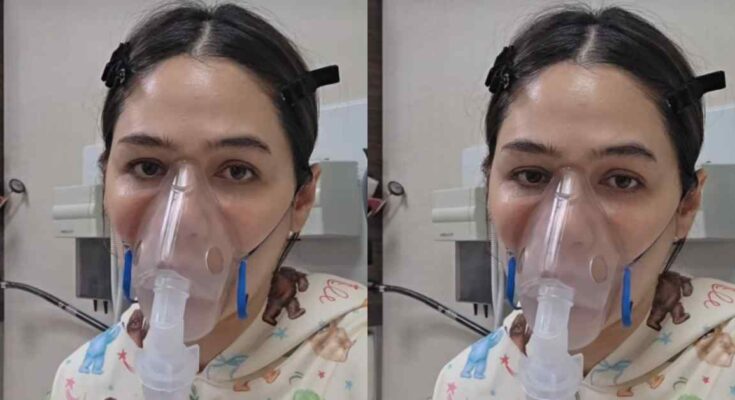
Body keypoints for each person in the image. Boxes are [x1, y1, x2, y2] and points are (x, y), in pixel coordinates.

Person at [50, 3, 367, 399]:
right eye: (148, 167)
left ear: (301, 200)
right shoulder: (84, 380)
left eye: (237, 171)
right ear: (105, 184)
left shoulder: (360, 362)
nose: (183, 220)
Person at [433, 5, 731, 399]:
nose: (568, 227)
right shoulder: (466, 383)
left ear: (686, 205)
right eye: (531, 175)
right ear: (489, 184)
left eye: (622, 180)